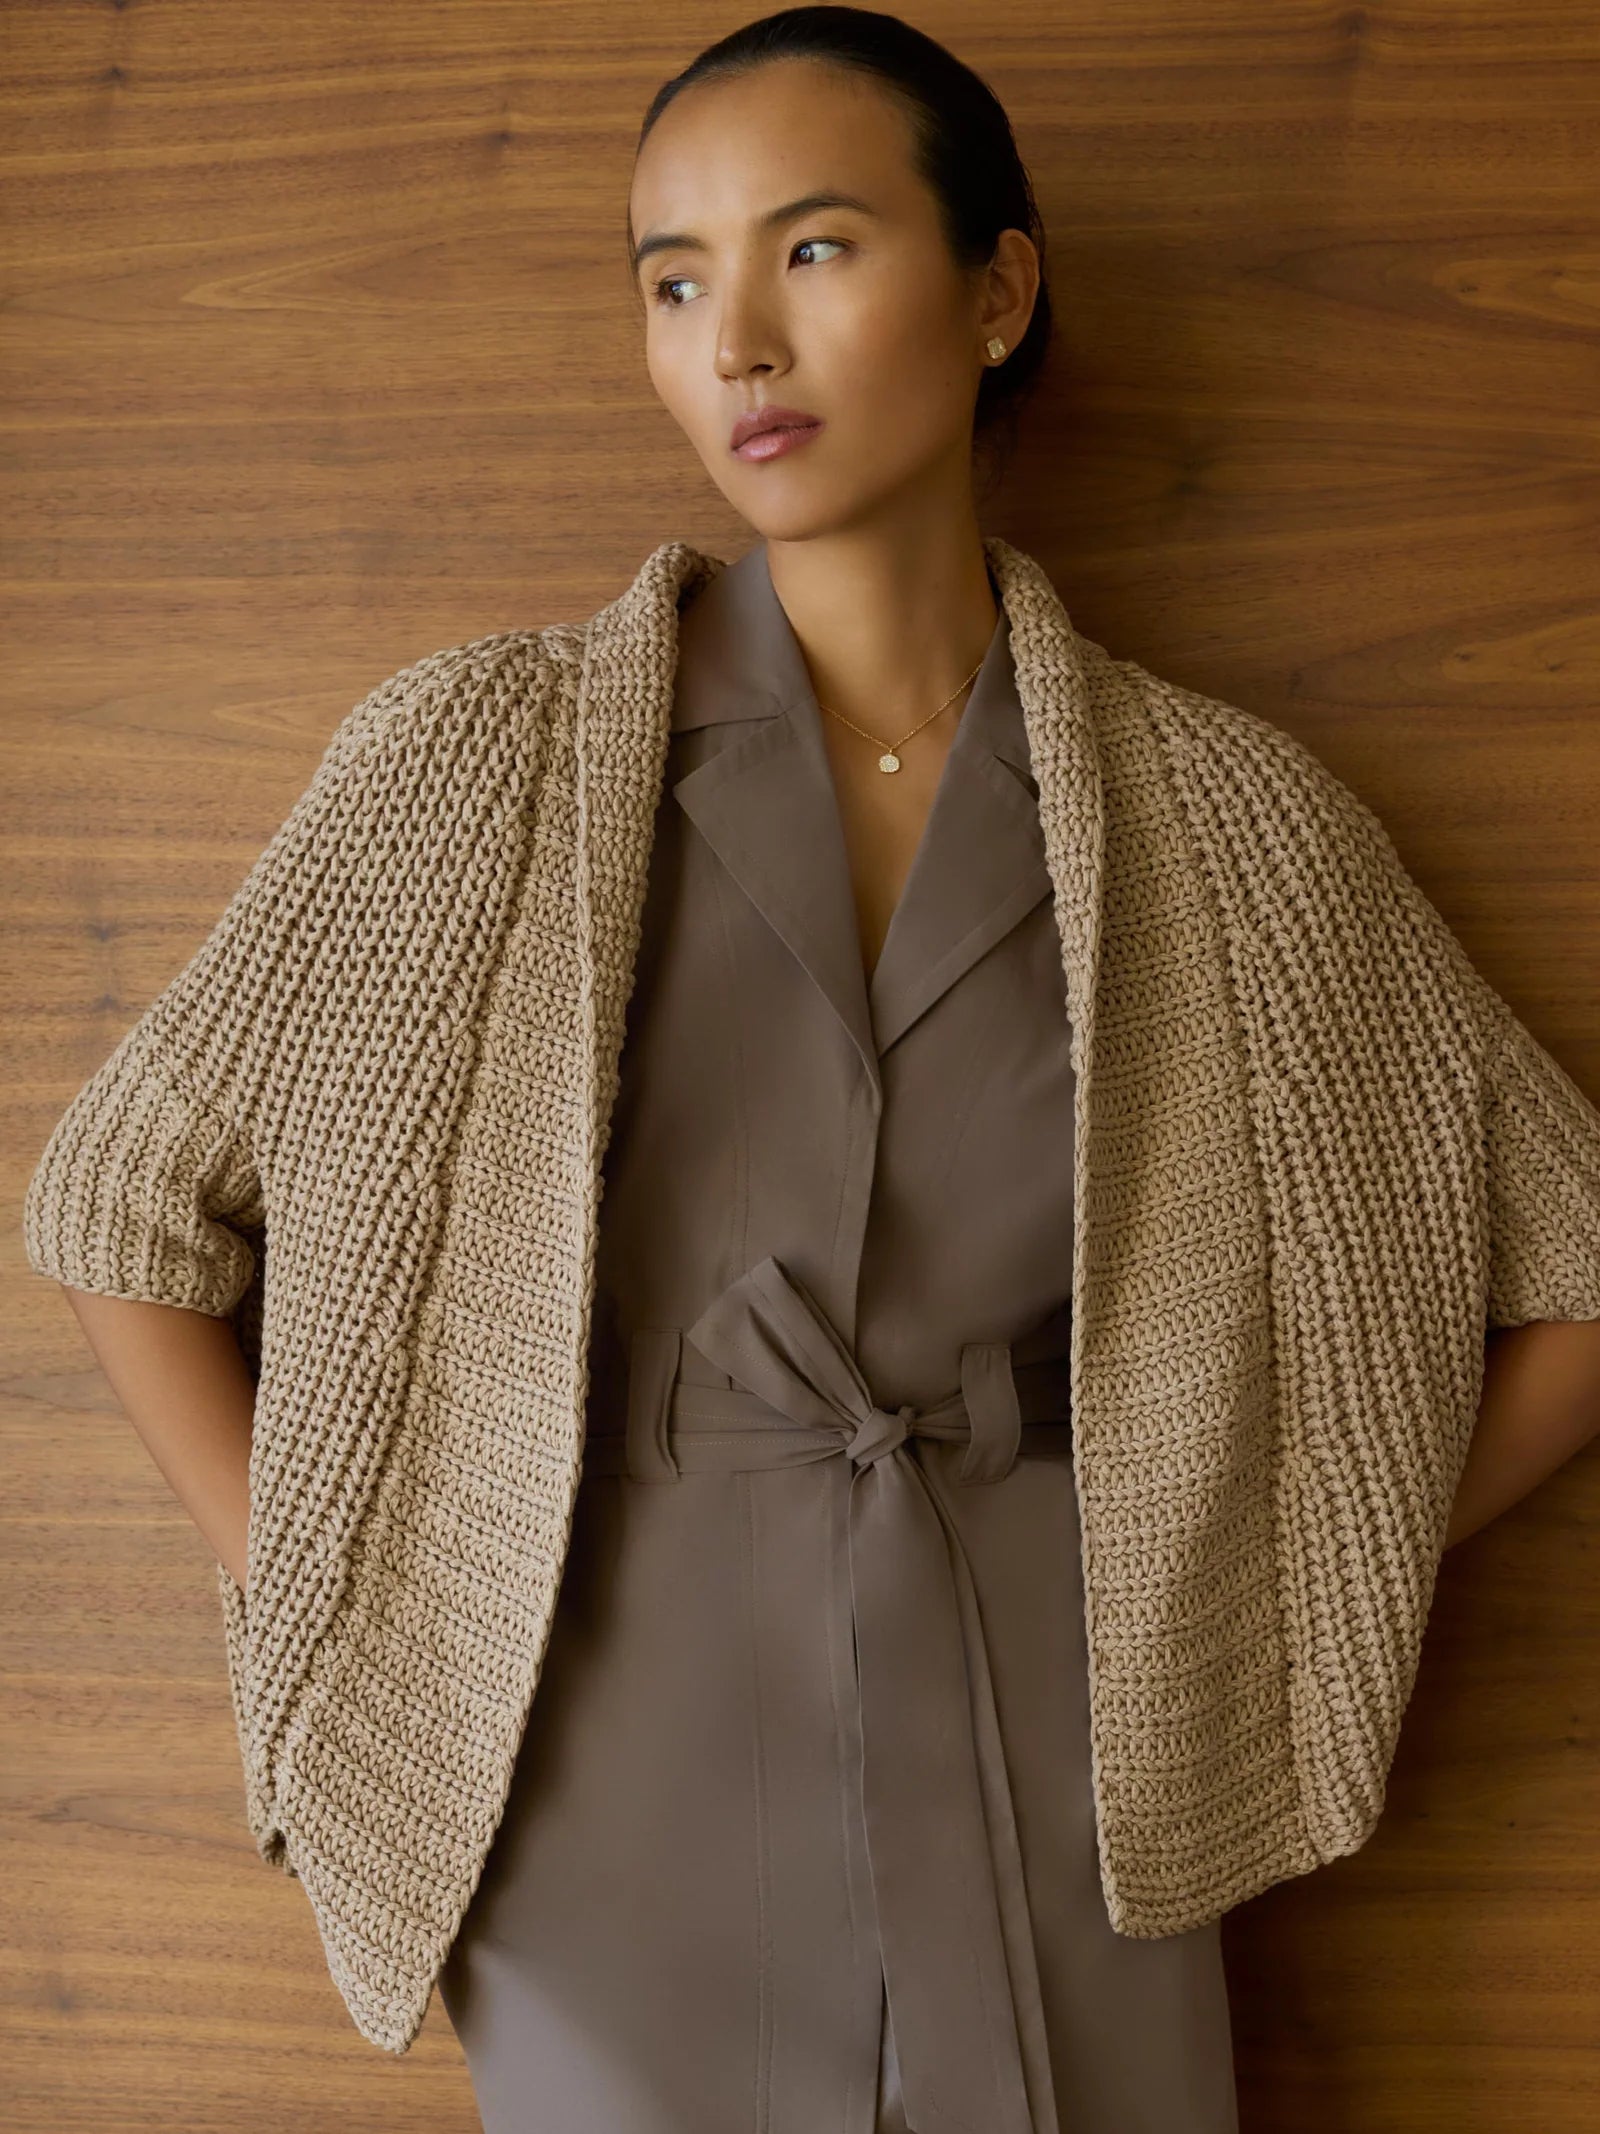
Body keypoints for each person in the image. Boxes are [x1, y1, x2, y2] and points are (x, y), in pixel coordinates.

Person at [24, 9, 1600, 2131]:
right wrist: (342, 1561)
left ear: (996, 290)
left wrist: (1267, 1553)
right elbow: (124, 1206)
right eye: (672, 282)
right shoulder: (474, 762)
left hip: (1077, 1765)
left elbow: (1568, 1260)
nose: (735, 340)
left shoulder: (1226, 822)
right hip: (595, 1770)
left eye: (813, 249)